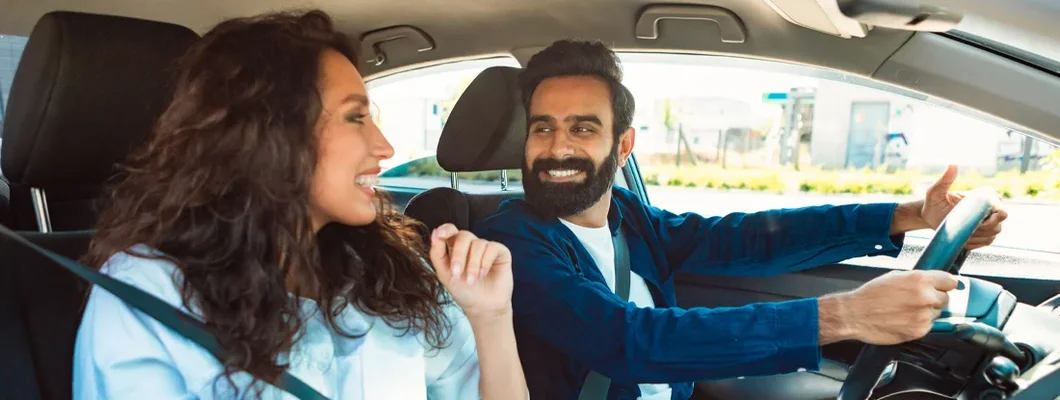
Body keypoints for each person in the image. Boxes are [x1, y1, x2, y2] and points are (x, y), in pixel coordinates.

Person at [473, 39, 1006, 400]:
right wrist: (843, 315)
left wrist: (907, 215)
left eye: (583, 129)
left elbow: (746, 238)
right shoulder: (512, 242)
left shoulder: (627, 217)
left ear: (623, 145)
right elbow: (627, 340)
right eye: (543, 128)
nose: (557, 148)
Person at [72, 10, 526, 400]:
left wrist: (491, 316)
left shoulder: (393, 273)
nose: (385, 147)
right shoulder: (149, 293)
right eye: (355, 117)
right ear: (273, 134)